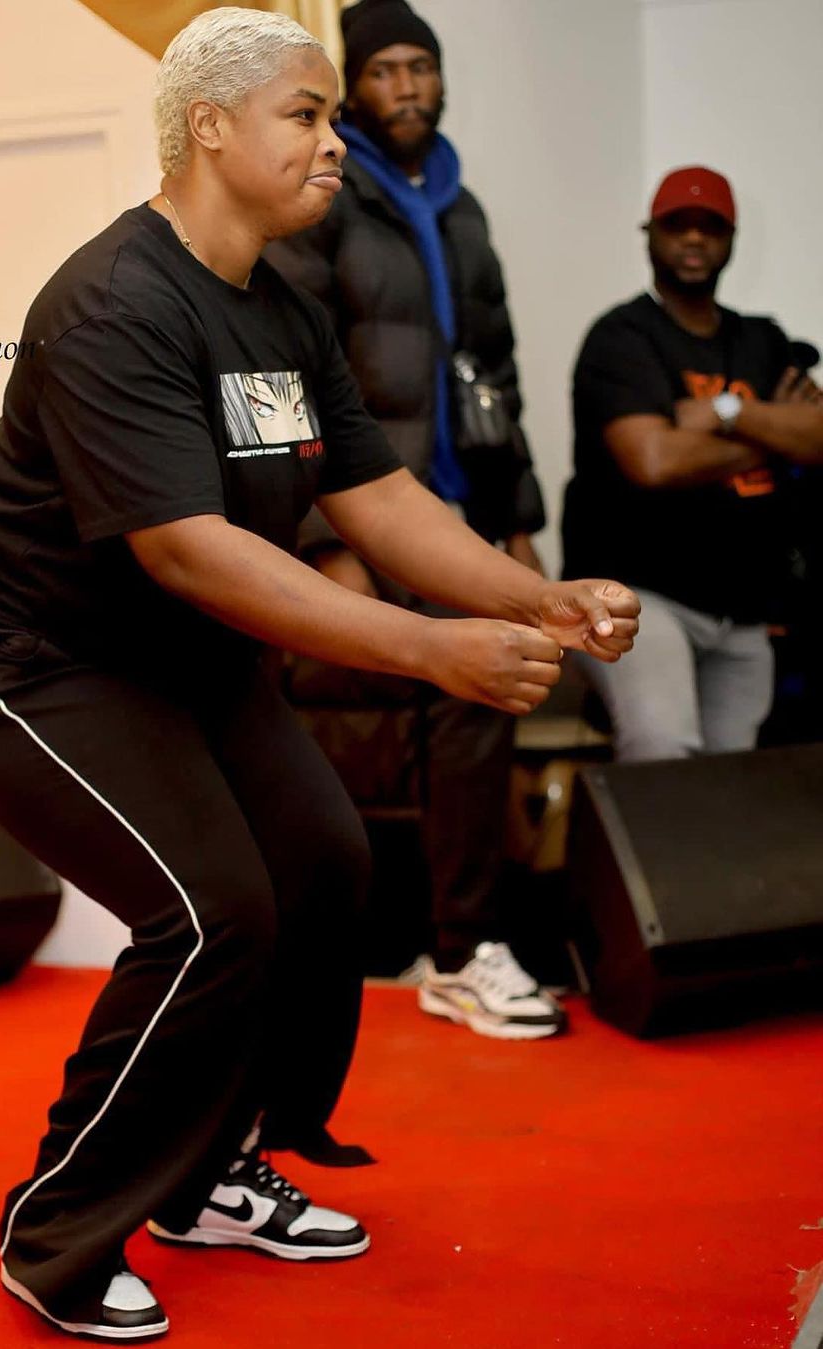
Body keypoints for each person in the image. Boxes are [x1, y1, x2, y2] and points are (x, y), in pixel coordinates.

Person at [0, 8, 639, 1341]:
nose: (335, 142)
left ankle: (213, 1169)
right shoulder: (116, 301)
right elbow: (195, 555)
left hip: (166, 652)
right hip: (12, 646)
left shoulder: (283, 302)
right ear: (210, 127)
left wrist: (538, 596)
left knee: (322, 865)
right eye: (308, 112)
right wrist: (433, 650)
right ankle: (60, 1222)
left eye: (335, 116)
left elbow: (377, 493)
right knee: (211, 906)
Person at [266, 0, 562, 1040]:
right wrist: (321, 539)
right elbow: (285, 370)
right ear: (356, 90)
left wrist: (516, 522)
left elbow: (501, 373)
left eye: (418, 69)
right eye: (383, 72)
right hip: (364, 507)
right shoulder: (328, 201)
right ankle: (420, 945)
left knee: (485, 684)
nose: (405, 88)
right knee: (416, 700)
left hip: (457, 505)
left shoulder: (463, 207)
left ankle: (460, 946)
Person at [562, 165, 823, 763]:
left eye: (712, 227)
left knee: (737, 786)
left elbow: (817, 438)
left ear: (731, 240)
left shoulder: (763, 340)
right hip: (638, 597)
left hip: (746, 610)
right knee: (664, 751)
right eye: (679, 224)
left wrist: (723, 411)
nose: (695, 239)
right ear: (649, 233)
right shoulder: (621, 338)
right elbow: (653, 460)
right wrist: (772, 429)